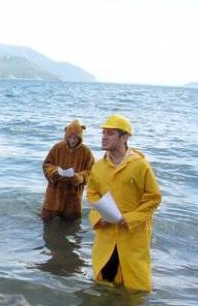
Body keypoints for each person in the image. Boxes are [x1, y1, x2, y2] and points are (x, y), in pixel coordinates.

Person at [87, 114, 162, 292]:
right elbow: (92, 193)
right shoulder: (98, 167)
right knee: (104, 284)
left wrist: (130, 218)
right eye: (103, 133)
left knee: (134, 288)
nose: (104, 137)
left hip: (132, 233)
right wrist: (100, 216)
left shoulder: (140, 165)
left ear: (124, 137)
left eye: (110, 133)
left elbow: (154, 197)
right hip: (106, 231)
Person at [41, 119, 95, 221]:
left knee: (71, 226)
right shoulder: (57, 148)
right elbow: (47, 164)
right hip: (54, 194)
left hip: (73, 197)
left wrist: (79, 177)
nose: (73, 140)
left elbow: (91, 171)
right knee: (48, 225)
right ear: (66, 136)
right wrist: (54, 172)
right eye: (70, 137)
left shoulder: (86, 152)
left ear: (80, 138)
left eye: (76, 138)